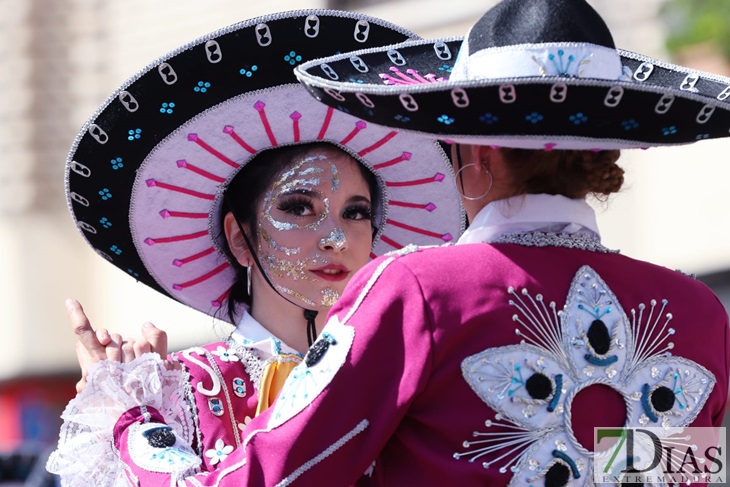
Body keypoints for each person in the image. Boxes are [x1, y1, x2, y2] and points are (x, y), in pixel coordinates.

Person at [59, 0, 730, 485]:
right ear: (603, 150)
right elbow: (663, 467)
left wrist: (132, 418)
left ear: (478, 149)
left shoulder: (418, 291)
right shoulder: (700, 314)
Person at [46, 10, 463, 486]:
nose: (336, 237)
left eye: (356, 212)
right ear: (240, 238)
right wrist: (123, 412)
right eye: (301, 207)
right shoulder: (175, 389)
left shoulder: (410, 383)